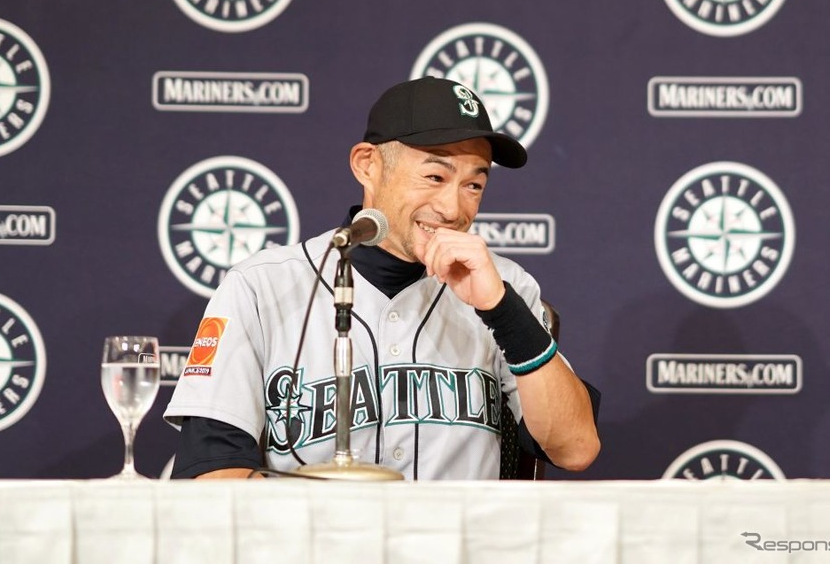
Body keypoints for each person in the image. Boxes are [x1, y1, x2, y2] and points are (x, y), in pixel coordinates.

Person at [163, 76, 601, 480]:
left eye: (474, 185)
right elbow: (215, 476)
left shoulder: (505, 286)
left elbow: (576, 448)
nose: (453, 208)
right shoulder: (261, 287)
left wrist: (503, 311)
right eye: (434, 175)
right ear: (367, 165)